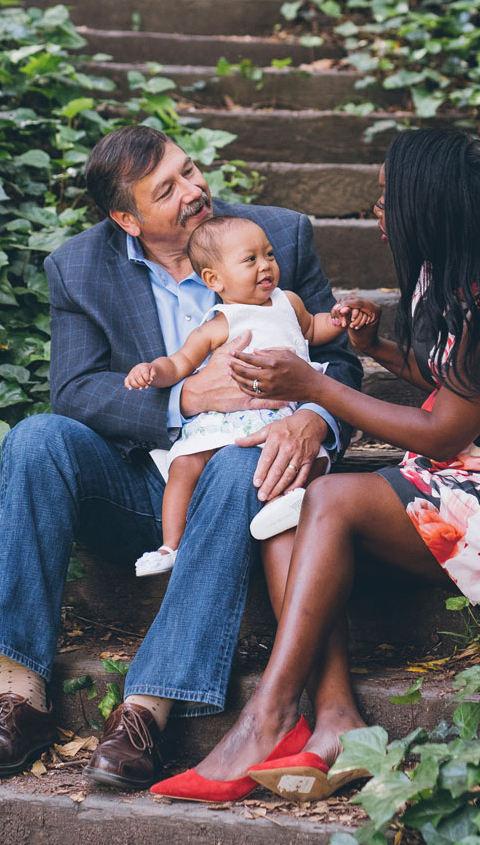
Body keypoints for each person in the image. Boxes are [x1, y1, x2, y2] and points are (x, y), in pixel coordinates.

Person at [149, 123, 480, 805]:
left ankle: (265, 718)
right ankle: (334, 720)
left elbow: (447, 428)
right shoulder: (441, 276)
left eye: (389, 197)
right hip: (470, 470)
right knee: (284, 510)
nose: (377, 211)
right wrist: (382, 350)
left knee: (330, 499)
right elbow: (465, 379)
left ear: (434, 205)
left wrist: (314, 387)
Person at [0, 125, 363, 790]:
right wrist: (184, 401)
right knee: (35, 438)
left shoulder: (274, 240)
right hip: (145, 485)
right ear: (126, 218)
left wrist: (314, 419)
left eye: (190, 170)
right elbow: (76, 389)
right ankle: (19, 697)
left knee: (233, 460)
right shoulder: (78, 268)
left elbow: (336, 359)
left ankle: (145, 710)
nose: (194, 190)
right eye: (166, 189)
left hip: (249, 471)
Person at [124, 214, 354, 577]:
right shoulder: (218, 324)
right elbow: (180, 363)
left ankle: (294, 500)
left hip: (283, 413)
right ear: (214, 279)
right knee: (184, 465)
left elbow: (312, 328)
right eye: (251, 260)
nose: (266, 266)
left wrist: (341, 320)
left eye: (269, 255)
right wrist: (152, 371)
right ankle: (171, 544)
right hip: (229, 419)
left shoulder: (288, 301)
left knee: (313, 455)